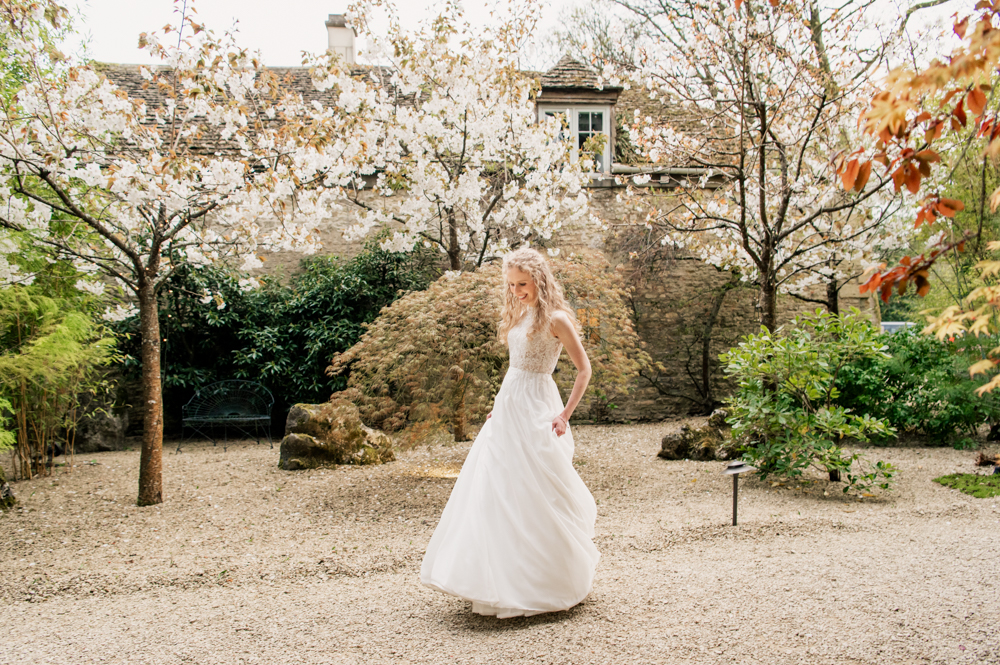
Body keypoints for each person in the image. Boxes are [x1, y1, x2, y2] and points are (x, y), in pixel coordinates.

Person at [420, 247, 600, 618]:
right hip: (509, 406)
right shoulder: (519, 313)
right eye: (511, 284)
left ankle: (546, 580)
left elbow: (584, 370)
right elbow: (514, 368)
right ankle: (496, 579)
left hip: (538, 407)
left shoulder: (558, 319)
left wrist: (565, 415)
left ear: (539, 279)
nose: (516, 290)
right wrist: (499, 404)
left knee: (538, 489)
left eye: (522, 283)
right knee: (496, 488)